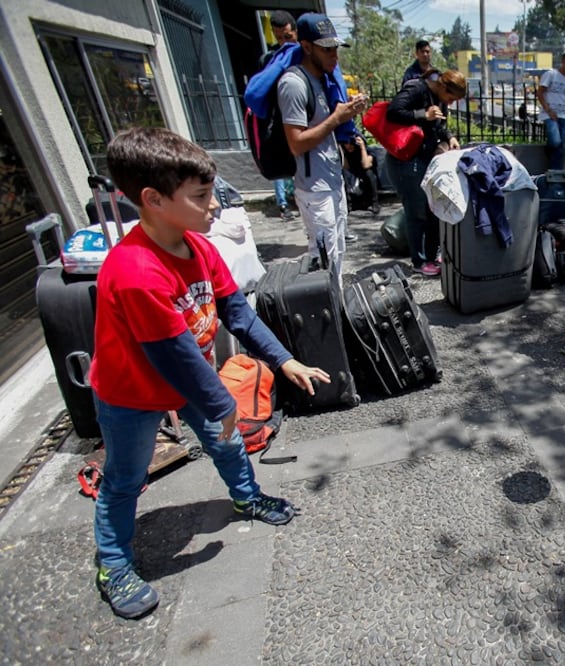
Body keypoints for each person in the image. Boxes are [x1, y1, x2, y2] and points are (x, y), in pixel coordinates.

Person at [88, 127, 332, 619]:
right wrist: (222, 406)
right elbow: (171, 354)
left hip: (190, 377)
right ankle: (113, 562)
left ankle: (246, 498)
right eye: (201, 196)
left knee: (228, 442)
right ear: (153, 199)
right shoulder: (135, 271)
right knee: (124, 478)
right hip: (130, 393)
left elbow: (237, 313)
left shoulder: (198, 247)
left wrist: (285, 360)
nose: (215, 206)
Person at [278, 12, 366, 286]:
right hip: (314, 187)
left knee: (337, 253)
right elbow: (296, 142)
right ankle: (326, 316)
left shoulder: (323, 81)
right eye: (326, 49)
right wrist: (337, 118)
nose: (334, 56)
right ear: (306, 47)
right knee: (323, 258)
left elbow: (328, 129)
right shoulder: (293, 84)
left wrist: (346, 119)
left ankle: (336, 305)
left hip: (331, 180)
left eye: (335, 49)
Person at [386, 68, 466, 276]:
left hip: (424, 157)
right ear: (443, 86)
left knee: (432, 209)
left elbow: (438, 125)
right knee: (416, 211)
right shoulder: (417, 88)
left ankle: (432, 256)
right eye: (451, 97)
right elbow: (393, 112)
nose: (450, 103)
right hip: (406, 160)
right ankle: (419, 261)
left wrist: (449, 136)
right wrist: (422, 114)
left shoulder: (438, 98)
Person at [260, 10, 299, 221]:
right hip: (279, 124)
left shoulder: (305, 55)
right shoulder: (271, 60)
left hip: (301, 123)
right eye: (279, 37)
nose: (284, 42)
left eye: (288, 36)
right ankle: (283, 204)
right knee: (281, 167)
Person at [537, 51, 565, 171]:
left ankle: (555, 170)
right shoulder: (551, 74)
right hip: (549, 114)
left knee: (561, 146)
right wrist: (548, 110)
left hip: (564, 115)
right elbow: (540, 92)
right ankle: (549, 154)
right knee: (555, 141)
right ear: (563, 62)